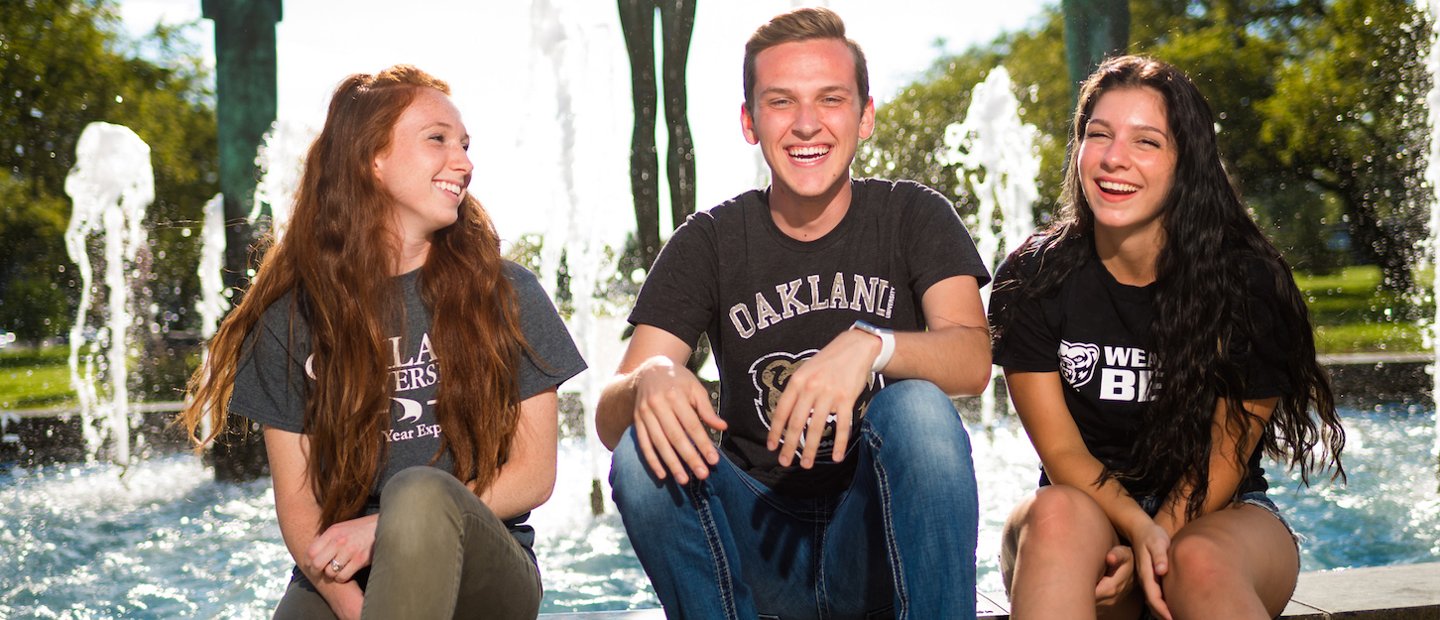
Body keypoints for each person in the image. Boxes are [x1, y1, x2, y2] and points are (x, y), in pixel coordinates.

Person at [596, 7, 992, 619]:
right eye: (781, 102)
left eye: (830, 99)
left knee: (916, 407)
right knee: (640, 450)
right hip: (756, 544)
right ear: (750, 122)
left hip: (874, 535)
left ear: (865, 117)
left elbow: (972, 358)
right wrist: (648, 380)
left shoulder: (914, 216)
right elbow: (606, 414)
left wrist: (873, 345)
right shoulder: (709, 241)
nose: (807, 125)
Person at [177, 65, 585, 620]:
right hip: (340, 572)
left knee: (418, 494)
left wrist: (383, 529)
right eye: (437, 139)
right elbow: (300, 513)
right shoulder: (293, 319)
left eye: (465, 144)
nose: (463, 161)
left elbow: (535, 474)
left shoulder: (508, 292)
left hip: (484, 569)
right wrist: (354, 608)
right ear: (373, 160)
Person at [988, 55, 1346, 620]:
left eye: (1146, 142)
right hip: (1085, 518)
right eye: (1098, 134)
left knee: (1194, 560)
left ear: (1187, 163)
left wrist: (1158, 540)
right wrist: (1133, 531)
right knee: (1056, 518)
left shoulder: (1246, 283)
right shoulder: (1033, 278)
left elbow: (1224, 461)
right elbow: (1060, 454)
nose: (1113, 158)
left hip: (1218, 513)